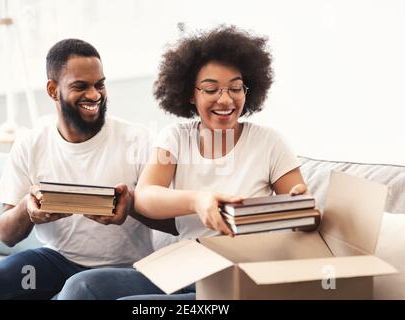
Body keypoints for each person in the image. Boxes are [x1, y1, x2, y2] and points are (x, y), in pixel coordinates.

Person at [56, 26, 308, 300]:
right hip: (185, 269)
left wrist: (299, 205)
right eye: (211, 89)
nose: (225, 99)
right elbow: (144, 196)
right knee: (81, 287)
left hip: (238, 280)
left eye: (235, 88)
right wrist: (198, 201)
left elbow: (306, 216)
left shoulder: (269, 142)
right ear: (191, 94)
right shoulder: (175, 138)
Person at [0, 38, 174, 300]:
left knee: (79, 289)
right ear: (53, 89)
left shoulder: (138, 140)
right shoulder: (31, 143)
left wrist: (130, 205)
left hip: (126, 268)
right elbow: (6, 234)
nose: (95, 95)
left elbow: (175, 225)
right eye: (80, 86)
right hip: (55, 262)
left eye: (100, 84)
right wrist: (29, 209)